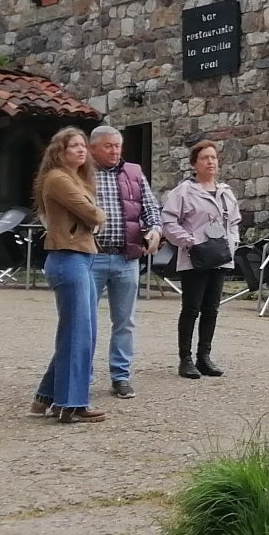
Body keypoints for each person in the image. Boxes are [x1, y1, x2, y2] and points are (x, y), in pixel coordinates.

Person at [81, 124, 162, 398]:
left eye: (118, 146)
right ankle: (83, 376)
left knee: (125, 321)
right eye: (108, 146)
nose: (115, 151)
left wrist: (154, 230)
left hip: (126, 258)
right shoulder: (80, 172)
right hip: (90, 257)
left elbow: (151, 209)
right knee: (85, 321)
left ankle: (121, 376)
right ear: (93, 148)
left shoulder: (134, 173)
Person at [31, 126, 105, 424]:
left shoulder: (75, 178)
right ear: (59, 151)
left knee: (82, 332)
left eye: (83, 146)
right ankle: (70, 404)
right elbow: (93, 215)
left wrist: (94, 212)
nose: (81, 150)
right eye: (74, 146)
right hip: (68, 257)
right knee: (78, 334)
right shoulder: (58, 178)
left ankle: (46, 397)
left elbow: (91, 212)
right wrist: (96, 214)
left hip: (80, 256)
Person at [161, 140, 242, 379]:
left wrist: (232, 244)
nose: (210, 162)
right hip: (195, 258)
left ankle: (204, 356)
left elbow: (235, 222)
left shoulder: (226, 192)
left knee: (212, 309)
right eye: (205, 158)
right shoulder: (183, 192)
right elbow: (169, 222)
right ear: (194, 163)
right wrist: (190, 242)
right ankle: (185, 359)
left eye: (213, 158)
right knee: (191, 308)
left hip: (219, 257)